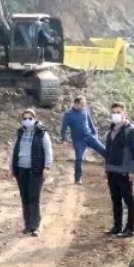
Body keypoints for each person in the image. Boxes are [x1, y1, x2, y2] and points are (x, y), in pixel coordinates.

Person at [10, 108, 53, 237]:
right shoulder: (20, 133)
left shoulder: (41, 133)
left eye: (30, 118)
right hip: (21, 169)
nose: (27, 121)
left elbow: (48, 150)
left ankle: (35, 226)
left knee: (34, 197)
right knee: (25, 197)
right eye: (25, 118)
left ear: (35, 119)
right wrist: (12, 167)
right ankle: (27, 225)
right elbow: (14, 150)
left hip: (36, 170)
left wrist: (47, 167)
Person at [103, 101, 134, 239]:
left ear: (125, 113)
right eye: (114, 112)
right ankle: (117, 226)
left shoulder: (131, 130)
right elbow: (108, 151)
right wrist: (106, 168)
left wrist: (132, 171)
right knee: (116, 200)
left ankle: (130, 228)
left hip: (125, 171)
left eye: (119, 112)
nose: (116, 115)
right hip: (112, 171)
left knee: (129, 200)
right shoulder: (111, 130)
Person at [59, 96, 107, 185]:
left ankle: (109, 172)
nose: (83, 106)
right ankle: (77, 179)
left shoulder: (85, 111)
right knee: (79, 159)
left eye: (84, 104)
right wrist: (65, 139)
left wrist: (95, 134)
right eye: (82, 104)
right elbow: (63, 129)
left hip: (89, 136)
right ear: (76, 103)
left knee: (105, 152)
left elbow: (91, 123)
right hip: (78, 140)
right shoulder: (68, 114)